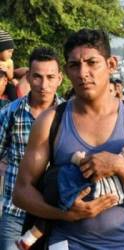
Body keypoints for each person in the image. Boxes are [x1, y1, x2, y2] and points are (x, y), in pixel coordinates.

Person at [13, 29, 124, 250]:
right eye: (75, 65)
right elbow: (21, 193)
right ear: (66, 71)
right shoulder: (50, 121)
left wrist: (119, 166)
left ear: (111, 64)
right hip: (67, 243)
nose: (83, 73)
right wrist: (64, 214)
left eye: (92, 62)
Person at [17, 134, 124, 250]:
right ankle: (31, 237)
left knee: (58, 201)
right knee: (57, 201)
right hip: (74, 188)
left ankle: (30, 237)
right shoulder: (116, 163)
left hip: (79, 188)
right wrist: (79, 160)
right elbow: (93, 167)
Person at [0, 47, 64, 249]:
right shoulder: (11, 113)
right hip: (15, 213)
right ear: (28, 77)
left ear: (59, 79)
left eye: (50, 77)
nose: (44, 85)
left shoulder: (69, 116)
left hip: (56, 216)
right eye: (37, 77)